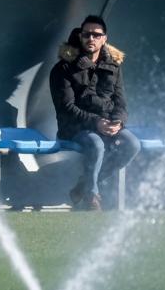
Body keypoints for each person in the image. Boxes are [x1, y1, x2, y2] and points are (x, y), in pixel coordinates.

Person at [49, 15, 141, 211]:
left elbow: (121, 102)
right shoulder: (63, 68)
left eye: (96, 35)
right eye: (87, 34)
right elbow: (66, 108)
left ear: (104, 38)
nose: (91, 38)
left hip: (106, 124)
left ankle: (84, 185)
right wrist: (96, 122)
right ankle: (92, 197)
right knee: (96, 144)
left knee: (132, 144)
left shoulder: (113, 67)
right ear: (80, 37)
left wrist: (118, 122)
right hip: (73, 126)